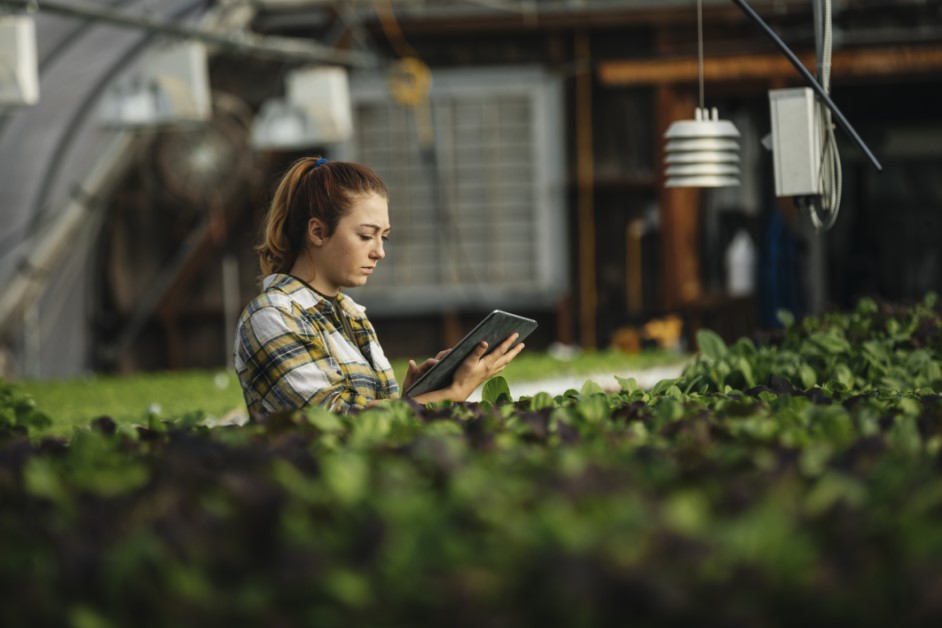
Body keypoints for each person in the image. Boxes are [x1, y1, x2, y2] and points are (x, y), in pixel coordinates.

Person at [233, 156, 525, 415]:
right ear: (318, 232)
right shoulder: (271, 316)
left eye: (383, 237)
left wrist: (415, 396)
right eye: (365, 236)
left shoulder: (351, 314)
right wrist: (451, 394)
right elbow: (332, 420)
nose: (379, 252)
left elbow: (373, 422)